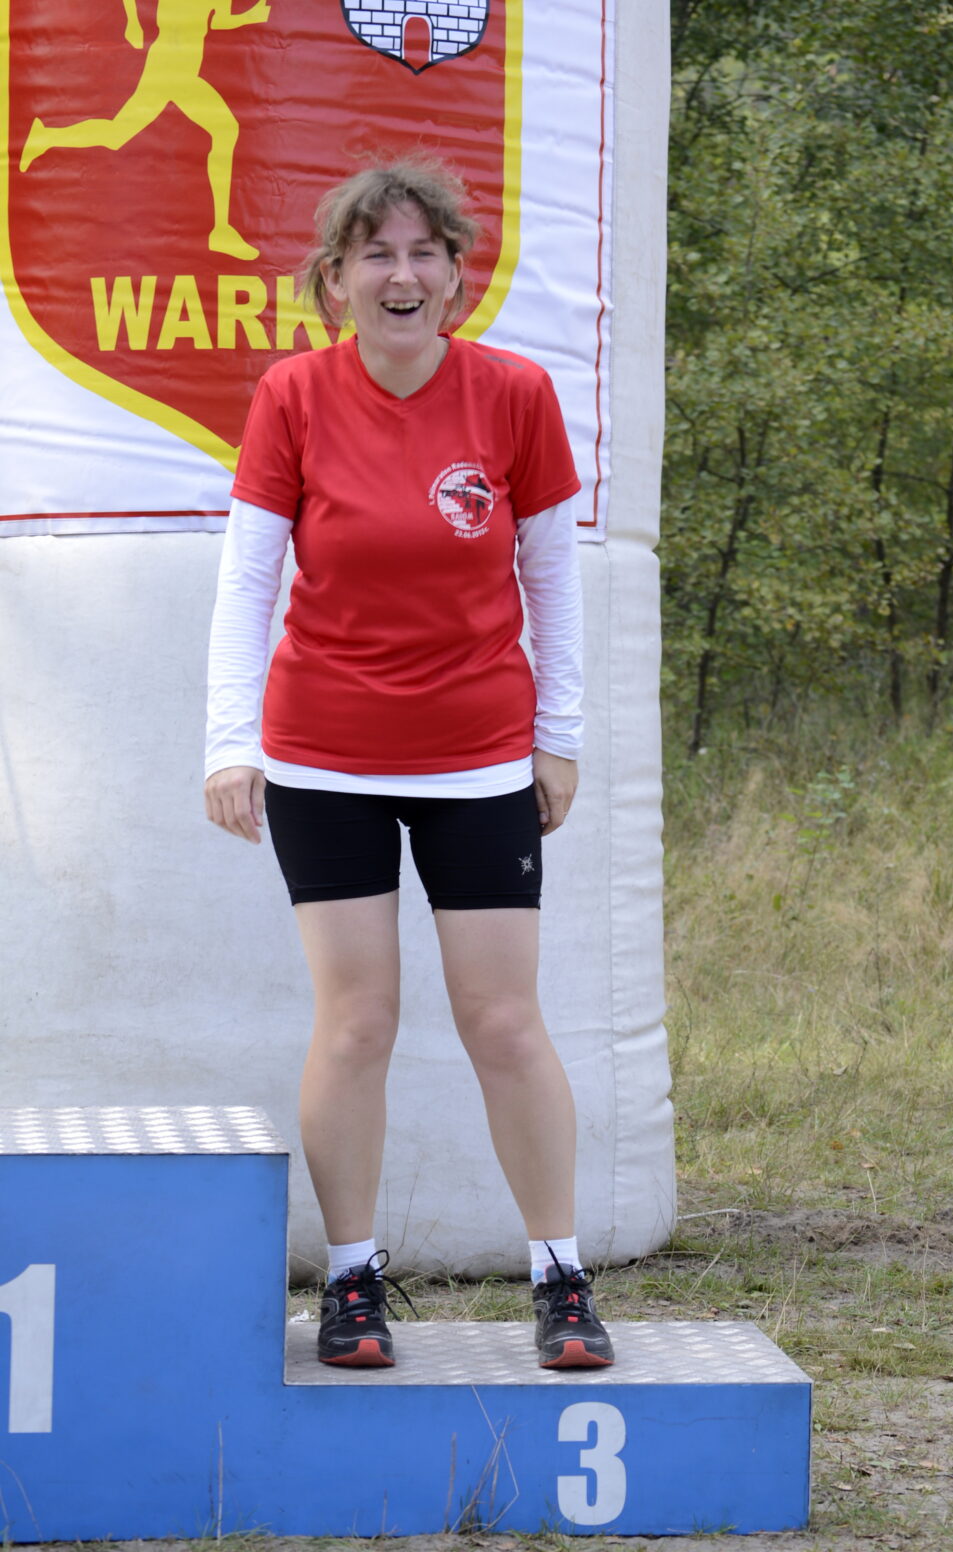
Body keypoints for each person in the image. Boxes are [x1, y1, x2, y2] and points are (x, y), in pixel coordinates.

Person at [204, 159, 613, 1370]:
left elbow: (551, 577)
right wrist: (230, 743)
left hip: (478, 757)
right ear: (334, 279)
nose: (400, 273)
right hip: (323, 756)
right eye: (374, 253)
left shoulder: (513, 394)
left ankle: (560, 1278)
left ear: (453, 277)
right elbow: (246, 581)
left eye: (422, 251)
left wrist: (558, 736)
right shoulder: (291, 395)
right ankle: (351, 1280)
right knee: (357, 1024)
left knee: (503, 1019)